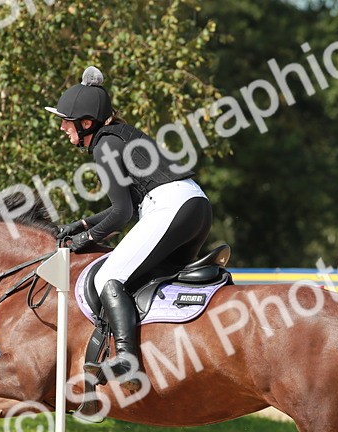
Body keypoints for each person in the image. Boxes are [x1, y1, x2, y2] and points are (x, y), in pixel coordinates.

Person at [45, 66, 213, 391]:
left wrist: (83, 240)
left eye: (67, 121)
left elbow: (123, 214)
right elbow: (124, 208)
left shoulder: (103, 146)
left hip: (169, 207)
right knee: (145, 280)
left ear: (86, 122)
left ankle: (127, 359)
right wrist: (79, 225)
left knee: (110, 277)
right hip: (195, 206)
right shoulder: (121, 135)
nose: (62, 127)